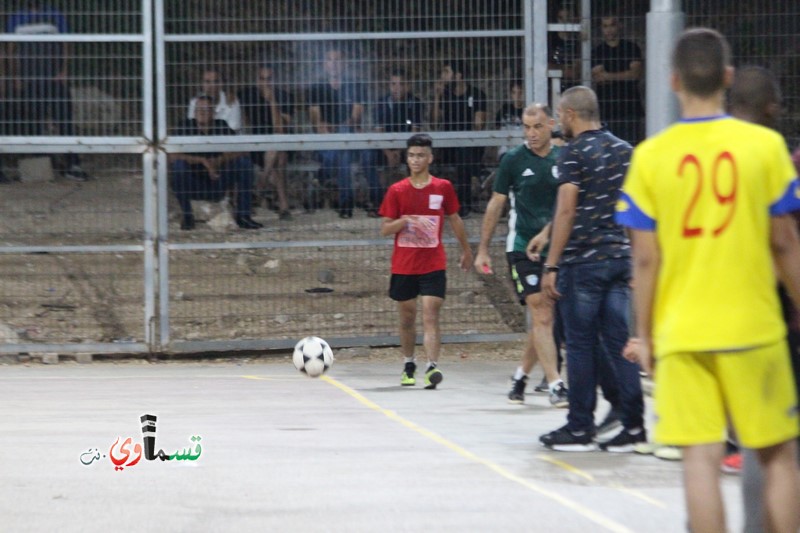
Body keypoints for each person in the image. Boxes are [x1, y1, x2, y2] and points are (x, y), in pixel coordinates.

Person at [617, 29, 800, 533]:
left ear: (674, 81)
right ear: (728, 77)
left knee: (700, 458)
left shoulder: (650, 157)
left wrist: (647, 334)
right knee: (779, 456)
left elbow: (646, 261)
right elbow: (784, 243)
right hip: (754, 328)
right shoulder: (764, 146)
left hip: (683, 335)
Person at [539, 85, 644, 452]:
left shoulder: (572, 153)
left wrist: (552, 264)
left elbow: (566, 210)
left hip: (583, 262)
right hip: (619, 258)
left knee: (580, 345)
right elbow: (634, 209)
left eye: (559, 115)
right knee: (620, 344)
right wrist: (634, 258)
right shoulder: (625, 150)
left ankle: (580, 426)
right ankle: (634, 427)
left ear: (569, 114)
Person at [726, 65, 800, 533]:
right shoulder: (774, 157)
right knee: (777, 448)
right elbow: (784, 242)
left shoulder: (712, 154)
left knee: (762, 441)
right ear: (772, 108)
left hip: (736, 309)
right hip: (771, 312)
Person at [473, 103, 568, 407]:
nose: (531, 133)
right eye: (526, 127)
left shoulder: (563, 159)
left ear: (551, 124)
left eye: (537, 126)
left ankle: (520, 377)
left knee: (545, 318)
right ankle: (555, 384)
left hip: (555, 247)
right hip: (521, 247)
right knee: (541, 312)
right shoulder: (513, 160)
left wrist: (550, 234)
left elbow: (570, 207)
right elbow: (496, 204)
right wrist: (483, 249)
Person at [378, 133, 472, 390]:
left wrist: (466, 250)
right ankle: (409, 363)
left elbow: (454, 218)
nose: (416, 160)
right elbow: (385, 229)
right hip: (404, 264)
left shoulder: (442, 188)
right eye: (411, 155)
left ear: (430, 158)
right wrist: (405, 221)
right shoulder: (397, 190)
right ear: (406, 159)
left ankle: (432, 366)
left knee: (431, 313)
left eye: (421, 155)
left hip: (433, 263)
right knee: (407, 317)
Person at [6, 0, 89, 181]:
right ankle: (41, 165)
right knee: (33, 122)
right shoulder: (16, 18)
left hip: (53, 77)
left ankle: (72, 164)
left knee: (64, 119)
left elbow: (66, 44)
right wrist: (16, 77)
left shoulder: (54, 15)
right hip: (29, 79)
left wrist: (64, 70)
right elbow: (10, 49)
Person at [169, 95, 262, 231]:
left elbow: (242, 150)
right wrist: (202, 161)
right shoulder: (185, 126)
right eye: (199, 109)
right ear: (194, 112)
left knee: (244, 163)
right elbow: (171, 155)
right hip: (192, 183)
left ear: (213, 113)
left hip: (218, 181)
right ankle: (187, 216)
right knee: (178, 166)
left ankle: (243, 216)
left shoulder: (221, 126)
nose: (202, 112)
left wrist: (218, 161)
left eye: (206, 109)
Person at [308, 47, 366, 219]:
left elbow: (355, 119)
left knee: (345, 146)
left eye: (338, 59)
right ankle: (345, 205)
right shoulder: (316, 88)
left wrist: (338, 128)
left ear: (344, 63)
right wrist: (327, 128)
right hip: (325, 144)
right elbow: (316, 122)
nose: (334, 64)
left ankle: (323, 174)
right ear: (325, 64)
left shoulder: (355, 85)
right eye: (330, 60)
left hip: (348, 139)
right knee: (343, 153)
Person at [363, 68, 425, 216]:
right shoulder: (381, 103)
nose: (397, 88)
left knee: (418, 157)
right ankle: (378, 201)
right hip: (385, 148)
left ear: (407, 85)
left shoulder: (415, 103)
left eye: (401, 84)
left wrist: (400, 151)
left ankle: (414, 203)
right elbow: (379, 132)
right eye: (393, 84)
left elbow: (414, 133)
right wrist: (389, 153)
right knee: (367, 157)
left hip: (407, 149)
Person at [431, 60, 487, 218]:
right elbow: (434, 123)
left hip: (470, 145)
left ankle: (464, 204)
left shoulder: (476, 94)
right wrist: (437, 97)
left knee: (464, 153)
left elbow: (479, 126)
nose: (443, 77)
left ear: (458, 76)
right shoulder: (445, 95)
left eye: (446, 73)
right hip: (447, 145)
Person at [238, 64, 294, 220]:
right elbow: (242, 120)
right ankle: (284, 205)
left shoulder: (285, 96)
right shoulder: (248, 95)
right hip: (257, 146)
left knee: (277, 150)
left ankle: (260, 186)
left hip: (282, 144)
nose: (265, 83)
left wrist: (272, 102)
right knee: (277, 159)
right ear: (257, 80)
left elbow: (280, 129)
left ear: (275, 80)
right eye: (262, 79)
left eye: (269, 79)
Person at [591, 15, 643, 145]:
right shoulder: (598, 51)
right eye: (605, 26)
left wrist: (608, 75)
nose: (609, 30)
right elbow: (599, 78)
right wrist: (625, 75)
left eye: (612, 25)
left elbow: (636, 74)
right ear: (601, 29)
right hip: (606, 108)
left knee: (630, 149)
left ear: (620, 25)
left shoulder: (631, 47)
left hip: (629, 108)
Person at [187, 68, 241, 132]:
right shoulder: (195, 102)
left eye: (216, 81)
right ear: (202, 84)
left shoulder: (231, 100)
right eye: (207, 81)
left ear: (222, 83)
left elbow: (234, 128)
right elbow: (193, 126)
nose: (212, 85)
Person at [494, 80, 525, 160]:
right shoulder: (504, 110)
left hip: (523, 150)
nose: (517, 96)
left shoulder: (527, 111)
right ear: (511, 94)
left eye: (520, 92)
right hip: (506, 150)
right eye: (514, 93)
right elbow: (497, 129)